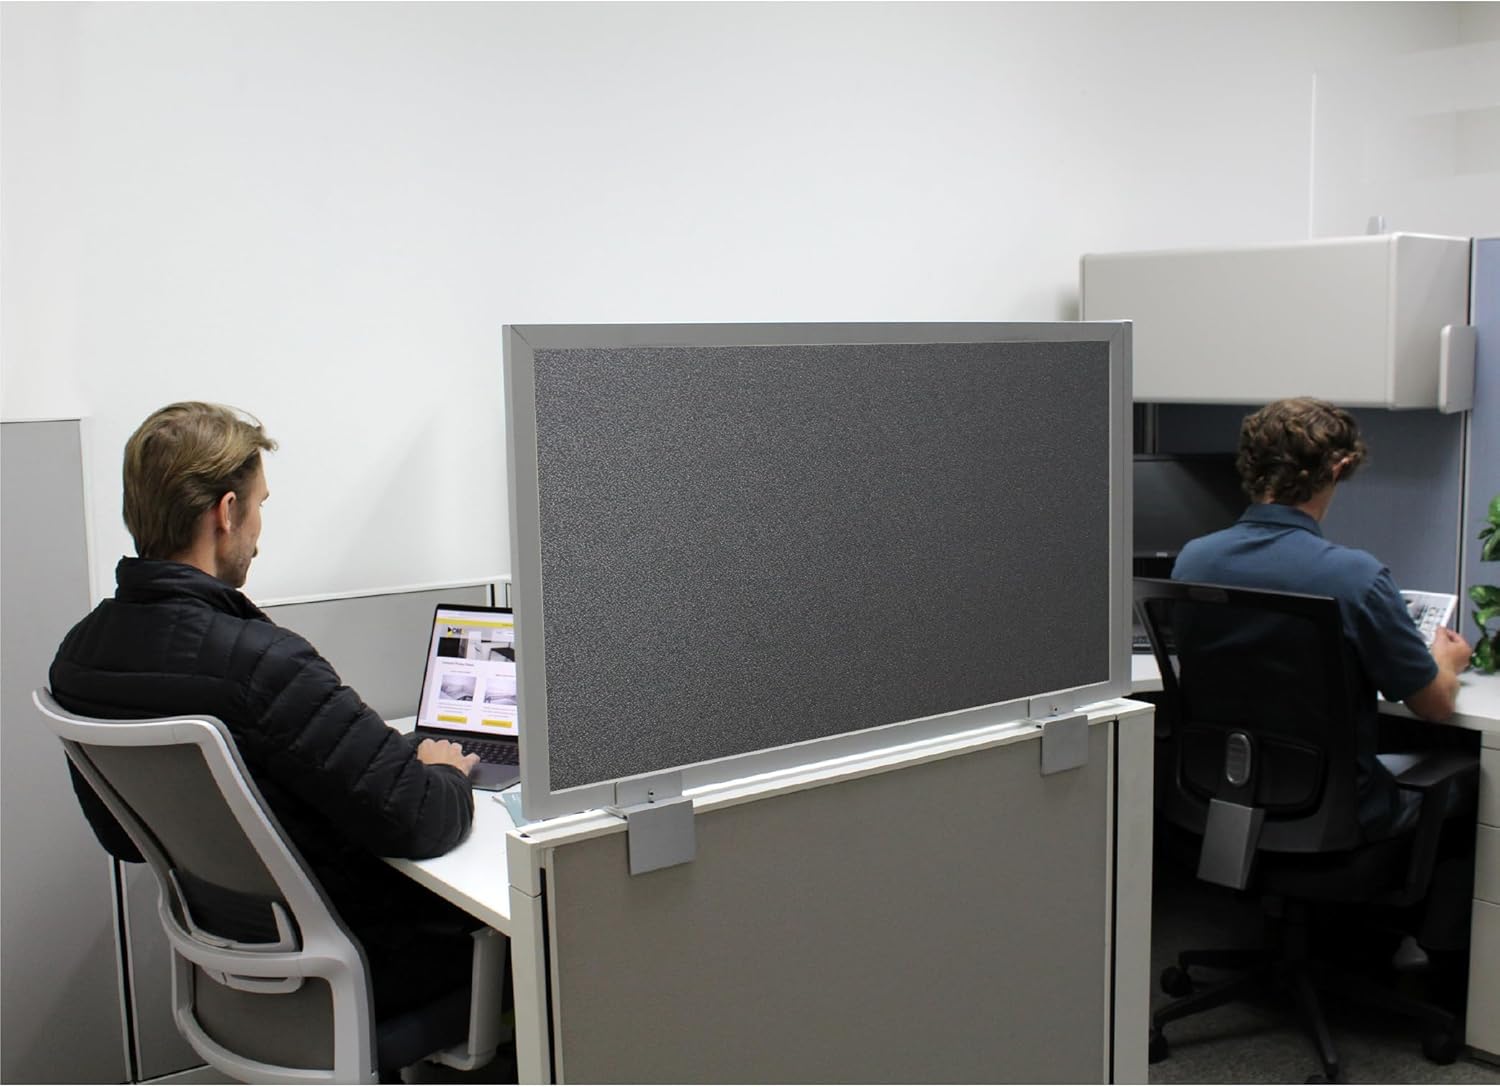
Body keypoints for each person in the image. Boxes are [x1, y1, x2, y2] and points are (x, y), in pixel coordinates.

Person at [50, 401, 483, 1022]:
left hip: (244, 970)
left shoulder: (82, 653)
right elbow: (423, 820)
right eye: (259, 507)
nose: (258, 532)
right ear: (226, 513)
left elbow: (122, 837)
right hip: (364, 967)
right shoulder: (259, 664)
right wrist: (443, 771)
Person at [1171, 397, 1472, 841]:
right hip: (1339, 814)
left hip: (1224, 790)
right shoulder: (1356, 578)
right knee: (1471, 781)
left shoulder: (1193, 561)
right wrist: (1447, 661)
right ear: (1338, 468)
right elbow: (1435, 705)